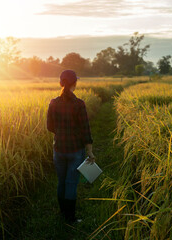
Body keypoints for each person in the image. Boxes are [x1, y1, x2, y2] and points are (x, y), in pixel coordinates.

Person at [47, 69, 96, 223]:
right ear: (75, 83)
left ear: (61, 83)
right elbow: (85, 129)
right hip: (75, 150)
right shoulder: (79, 104)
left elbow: (50, 127)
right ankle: (70, 218)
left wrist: (61, 133)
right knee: (71, 183)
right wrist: (90, 151)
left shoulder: (53, 102)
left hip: (59, 149)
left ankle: (63, 213)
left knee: (61, 181)